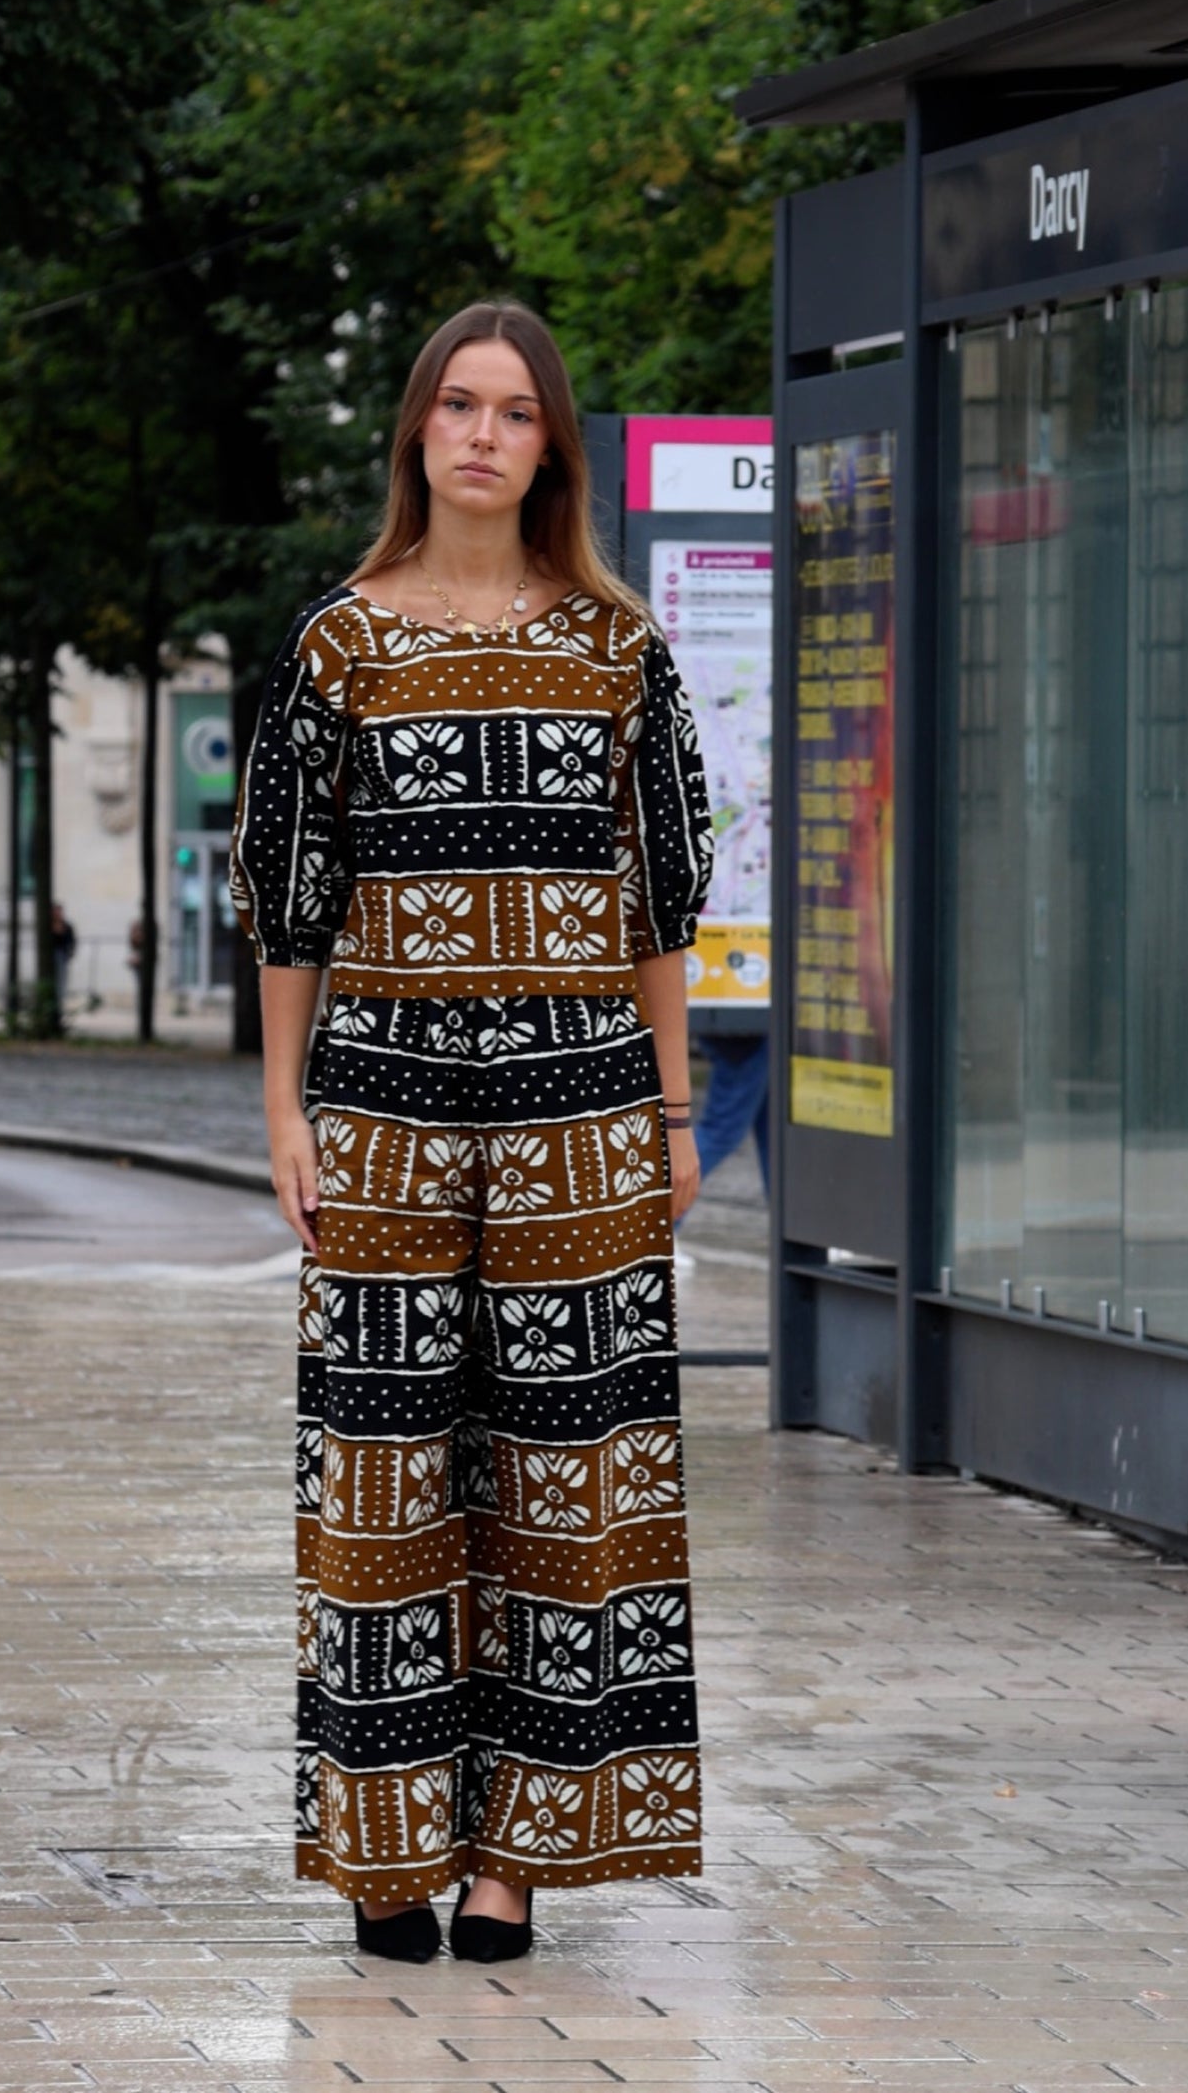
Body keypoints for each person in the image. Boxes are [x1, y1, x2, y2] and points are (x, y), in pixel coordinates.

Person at [230, 299, 714, 1968]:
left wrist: (672, 1106)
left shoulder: (617, 650)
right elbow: (291, 902)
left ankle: (516, 1858)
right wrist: (284, 1108)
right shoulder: (337, 645)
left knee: (567, 1477)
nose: (483, 435)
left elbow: (659, 901)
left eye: (514, 410)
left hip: (583, 1109)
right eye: (458, 404)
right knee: (381, 1475)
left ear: (551, 446)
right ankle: (385, 1850)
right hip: (380, 1103)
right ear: (417, 432)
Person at [691, 1027, 770, 1198]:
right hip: (748, 1037)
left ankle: (786, 1211)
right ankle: (654, 1205)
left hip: (747, 1033)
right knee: (721, 1132)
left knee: (774, 1134)